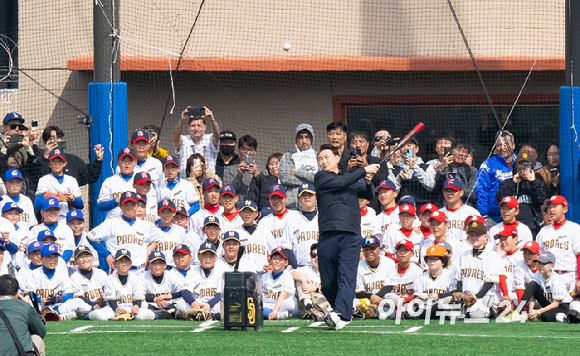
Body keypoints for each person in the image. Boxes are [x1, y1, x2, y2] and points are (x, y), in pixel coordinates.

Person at [314, 143, 379, 329]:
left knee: (346, 275)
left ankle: (341, 314)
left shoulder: (350, 178)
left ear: (336, 158)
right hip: (327, 234)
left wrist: (368, 180)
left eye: (327, 157)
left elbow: (368, 194)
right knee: (327, 283)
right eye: (320, 159)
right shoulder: (321, 178)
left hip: (350, 235)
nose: (323, 161)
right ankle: (343, 309)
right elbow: (341, 183)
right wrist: (363, 170)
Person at [88, 192, 160, 272]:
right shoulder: (111, 223)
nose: (130, 208)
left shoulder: (146, 225)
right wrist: (107, 255)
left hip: (139, 272)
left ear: (137, 206)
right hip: (117, 271)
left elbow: (157, 238)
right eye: (126, 205)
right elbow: (90, 236)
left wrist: (148, 250)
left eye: (133, 205)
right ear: (120, 206)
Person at [455, 216, 503, 319]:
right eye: (471, 235)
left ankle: (491, 310)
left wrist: (476, 297)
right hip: (466, 296)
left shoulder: (492, 256)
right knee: (454, 316)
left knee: (476, 315)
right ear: (468, 237)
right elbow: (459, 280)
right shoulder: (464, 256)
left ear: (486, 237)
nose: (474, 237)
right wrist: (462, 296)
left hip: (484, 296)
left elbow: (490, 283)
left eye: (478, 235)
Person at [535, 195, 580, 295]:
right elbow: (537, 258)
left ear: (565, 209)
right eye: (550, 207)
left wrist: (579, 279)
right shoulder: (543, 231)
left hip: (569, 277)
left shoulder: (574, 229)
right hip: (548, 278)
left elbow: (579, 256)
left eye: (555, 206)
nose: (551, 210)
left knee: (570, 308)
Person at [496, 150, 547, 236]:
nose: (523, 167)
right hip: (510, 228)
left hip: (532, 228)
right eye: (520, 164)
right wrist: (513, 183)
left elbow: (540, 199)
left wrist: (533, 182)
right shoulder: (508, 183)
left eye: (526, 164)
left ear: (531, 166)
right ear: (516, 165)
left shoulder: (537, 182)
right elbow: (499, 198)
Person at [89, 249, 149, 321]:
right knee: (98, 315)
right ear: (115, 263)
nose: (124, 264)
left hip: (131, 308)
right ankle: (84, 315)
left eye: (126, 261)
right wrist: (116, 309)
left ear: (130, 264)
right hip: (113, 309)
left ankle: (160, 314)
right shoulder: (110, 279)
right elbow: (111, 300)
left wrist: (136, 306)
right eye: (121, 261)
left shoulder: (136, 279)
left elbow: (138, 298)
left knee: (143, 315)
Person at [512, 251, 571, 322]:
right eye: (539, 263)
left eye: (544, 263)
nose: (540, 266)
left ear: (552, 266)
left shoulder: (556, 280)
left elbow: (556, 303)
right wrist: (531, 311)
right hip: (548, 303)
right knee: (532, 284)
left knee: (545, 316)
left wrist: (538, 312)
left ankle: (566, 317)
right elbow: (532, 291)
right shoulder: (538, 273)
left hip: (561, 306)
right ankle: (518, 311)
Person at [474, 130, 517, 226]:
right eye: (498, 145)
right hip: (493, 218)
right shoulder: (487, 165)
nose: (502, 148)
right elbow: (481, 191)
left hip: (517, 217)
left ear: (513, 145)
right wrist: (483, 215)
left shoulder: (521, 162)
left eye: (506, 144)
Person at [39, 125, 104, 186]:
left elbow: (90, 176)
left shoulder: (73, 160)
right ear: (45, 142)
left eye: (58, 137)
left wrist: (98, 159)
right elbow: (37, 180)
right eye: (52, 138)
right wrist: (45, 158)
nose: (56, 141)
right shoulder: (39, 160)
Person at [0, 274, 46, 356]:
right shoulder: (24, 306)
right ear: (17, 294)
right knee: (37, 339)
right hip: (20, 353)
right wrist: (29, 306)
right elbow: (41, 331)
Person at [178, 241, 225, 320]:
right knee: (180, 303)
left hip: (213, 305)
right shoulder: (192, 271)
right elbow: (185, 291)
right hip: (197, 305)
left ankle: (196, 315)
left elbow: (221, 294)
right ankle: (207, 316)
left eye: (211, 255)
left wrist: (209, 304)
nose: (207, 258)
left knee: (223, 304)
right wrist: (193, 303)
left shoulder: (221, 271)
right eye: (204, 255)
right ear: (198, 257)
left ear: (216, 257)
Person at [34, 149, 83, 222]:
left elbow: (80, 205)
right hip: (49, 219)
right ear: (49, 164)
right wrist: (56, 198)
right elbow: (37, 205)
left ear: (65, 163)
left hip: (68, 219)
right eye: (53, 161)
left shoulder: (71, 180)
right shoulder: (44, 180)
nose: (56, 164)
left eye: (59, 161)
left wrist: (73, 199)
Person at [354, 237, 397, 318]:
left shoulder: (389, 262)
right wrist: (371, 297)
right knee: (355, 302)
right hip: (366, 299)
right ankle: (378, 312)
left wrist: (376, 298)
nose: (369, 252)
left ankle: (373, 312)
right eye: (366, 249)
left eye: (372, 249)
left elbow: (389, 286)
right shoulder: (359, 265)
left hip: (383, 297)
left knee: (394, 298)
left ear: (380, 249)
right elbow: (358, 291)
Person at [173, 106, 220, 177]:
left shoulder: (210, 138)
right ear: (188, 127)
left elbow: (217, 135)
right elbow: (175, 136)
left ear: (205, 127)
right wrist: (182, 121)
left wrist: (212, 120)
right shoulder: (184, 139)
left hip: (207, 183)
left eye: (199, 125)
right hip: (187, 181)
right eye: (193, 126)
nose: (196, 128)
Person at [279, 124, 318, 210]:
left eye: (307, 137)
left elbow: (319, 178)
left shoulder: (318, 157)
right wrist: (309, 181)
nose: (304, 141)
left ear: (312, 139)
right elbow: (284, 178)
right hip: (292, 205)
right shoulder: (288, 157)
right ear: (296, 139)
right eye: (300, 137)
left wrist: (297, 172)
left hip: (313, 207)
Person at [413, 245, 457, 319]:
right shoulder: (422, 277)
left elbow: (454, 293)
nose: (432, 261)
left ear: (443, 262)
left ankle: (422, 316)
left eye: (435, 259)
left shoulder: (450, 276)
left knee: (446, 302)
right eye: (429, 259)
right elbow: (416, 296)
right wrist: (418, 299)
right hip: (425, 306)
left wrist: (438, 296)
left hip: (442, 307)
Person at [290, 244, 330, 319]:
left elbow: (334, 292)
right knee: (300, 279)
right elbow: (290, 273)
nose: (316, 258)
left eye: (319, 255)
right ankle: (309, 307)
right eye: (313, 255)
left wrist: (316, 289)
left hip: (324, 302)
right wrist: (303, 278)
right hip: (309, 300)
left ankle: (315, 311)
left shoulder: (330, 271)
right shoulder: (307, 269)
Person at [283, 183, 319, 267]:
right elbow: (287, 248)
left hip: (322, 268)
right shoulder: (291, 219)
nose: (306, 197)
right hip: (300, 267)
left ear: (316, 198)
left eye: (310, 195)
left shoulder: (324, 218)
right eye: (303, 195)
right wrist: (296, 268)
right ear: (298, 200)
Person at [29, 198, 74, 264]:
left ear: (59, 212)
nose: (52, 212)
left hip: (62, 267)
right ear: (42, 213)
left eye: (55, 210)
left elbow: (69, 250)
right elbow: (33, 252)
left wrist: (58, 263)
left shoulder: (66, 229)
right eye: (49, 210)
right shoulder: (35, 230)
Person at [434, 139, 477, 207]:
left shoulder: (471, 171)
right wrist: (442, 169)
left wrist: (456, 185)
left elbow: (473, 193)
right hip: (445, 208)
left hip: (465, 208)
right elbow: (436, 190)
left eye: (465, 152)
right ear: (451, 151)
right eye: (458, 150)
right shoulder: (443, 168)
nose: (461, 154)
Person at [96, 148, 138, 219]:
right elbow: (100, 205)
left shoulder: (141, 181)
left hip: (134, 224)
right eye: (123, 160)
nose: (126, 163)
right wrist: (115, 201)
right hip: (113, 224)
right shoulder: (109, 181)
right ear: (118, 162)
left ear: (135, 162)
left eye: (130, 160)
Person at [69, 246, 108, 319]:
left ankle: (88, 315)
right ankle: (90, 313)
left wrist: (102, 300)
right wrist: (94, 305)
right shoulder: (74, 277)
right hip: (88, 307)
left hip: (102, 305)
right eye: (80, 257)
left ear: (92, 258)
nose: (84, 259)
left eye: (87, 256)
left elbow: (109, 291)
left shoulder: (101, 273)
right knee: (77, 301)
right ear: (76, 261)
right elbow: (79, 297)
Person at [142, 251, 183, 319]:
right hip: (151, 305)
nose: (157, 266)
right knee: (141, 305)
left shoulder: (172, 275)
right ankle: (165, 314)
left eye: (160, 263)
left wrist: (169, 296)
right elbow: (138, 295)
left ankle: (164, 313)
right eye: (154, 263)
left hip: (169, 304)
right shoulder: (143, 277)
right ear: (148, 266)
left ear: (165, 266)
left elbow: (183, 292)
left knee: (182, 302)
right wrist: (155, 299)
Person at [394, 138, 436, 205]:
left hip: (423, 207)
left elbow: (431, 186)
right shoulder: (395, 169)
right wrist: (399, 178)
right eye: (402, 146)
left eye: (409, 145)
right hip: (403, 208)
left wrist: (415, 167)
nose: (405, 148)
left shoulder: (427, 167)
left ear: (417, 149)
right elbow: (392, 192)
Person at [439, 178, 480, 243]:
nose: (449, 193)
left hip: (465, 250)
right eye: (447, 190)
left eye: (453, 191)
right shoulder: (439, 213)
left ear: (461, 193)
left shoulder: (472, 213)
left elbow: (480, 234)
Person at [260, 247, 296, 320]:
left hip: (282, 305)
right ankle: (278, 315)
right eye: (275, 258)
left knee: (288, 304)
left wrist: (275, 311)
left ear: (286, 263)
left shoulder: (287, 276)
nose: (277, 261)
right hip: (268, 305)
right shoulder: (265, 276)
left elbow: (283, 294)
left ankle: (274, 314)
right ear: (270, 261)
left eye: (280, 259)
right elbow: (261, 294)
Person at [494, 226, 523, 309]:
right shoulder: (500, 258)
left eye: (505, 238)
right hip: (502, 295)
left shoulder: (522, 257)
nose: (502, 241)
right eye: (501, 239)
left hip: (517, 295)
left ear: (516, 239)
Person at [156, 200, 188, 268]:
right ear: (158, 213)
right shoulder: (153, 230)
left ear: (174, 213)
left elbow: (186, 252)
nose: (166, 215)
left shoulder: (180, 231)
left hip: (175, 268)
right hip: (159, 268)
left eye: (169, 212)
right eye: (163, 212)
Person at [232, 135, 262, 206]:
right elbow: (229, 190)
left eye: (251, 150)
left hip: (255, 208)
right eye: (244, 149)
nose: (247, 153)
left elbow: (265, 189)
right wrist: (239, 175)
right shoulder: (230, 169)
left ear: (255, 152)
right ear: (238, 150)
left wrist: (256, 174)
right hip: (236, 208)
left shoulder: (262, 172)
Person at [514, 241, 541, 305]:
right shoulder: (519, 266)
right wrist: (523, 311)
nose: (526, 256)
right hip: (527, 301)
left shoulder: (544, 265)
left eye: (530, 253)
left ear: (538, 255)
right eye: (525, 253)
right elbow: (520, 290)